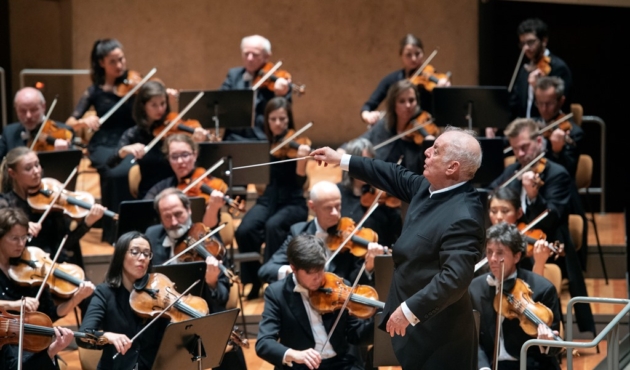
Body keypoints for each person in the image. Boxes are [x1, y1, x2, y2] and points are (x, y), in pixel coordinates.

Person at [311, 126, 485, 369]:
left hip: (440, 339)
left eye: (435, 150)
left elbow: (454, 279)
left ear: (452, 167)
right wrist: (341, 159)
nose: (426, 152)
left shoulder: (465, 216)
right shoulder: (429, 188)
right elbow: (391, 173)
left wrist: (409, 310)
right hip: (415, 331)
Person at [487, 118, 595, 335]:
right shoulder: (514, 172)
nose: (520, 154)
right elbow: (491, 192)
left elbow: (553, 216)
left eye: (525, 147)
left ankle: (548, 328)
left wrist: (535, 196)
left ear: (538, 141)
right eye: (515, 149)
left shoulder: (557, 174)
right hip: (517, 243)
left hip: (550, 242)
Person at [144, 187, 247, 370]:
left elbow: (222, 296)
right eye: (167, 217)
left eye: (179, 214)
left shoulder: (209, 241)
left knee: (231, 351)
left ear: (189, 210)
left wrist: (212, 281)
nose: (174, 222)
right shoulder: (152, 237)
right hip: (165, 318)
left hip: (203, 314)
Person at [256, 234, 374, 370]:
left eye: (320, 269)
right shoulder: (277, 294)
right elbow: (264, 343)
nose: (318, 278)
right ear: (293, 268)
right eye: (310, 273)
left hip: (341, 364)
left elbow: (356, 335)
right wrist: (294, 354)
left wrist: (380, 321)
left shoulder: (338, 287)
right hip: (301, 366)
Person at [234, 97, 309, 299]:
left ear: (289, 120)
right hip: (268, 199)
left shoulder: (298, 144)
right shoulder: (263, 145)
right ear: (266, 120)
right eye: (273, 119)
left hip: (292, 201)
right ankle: (254, 280)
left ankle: (272, 279)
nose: (278, 123)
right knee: (244, 230)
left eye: (282, 119)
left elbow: (300, 182)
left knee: (273, 226)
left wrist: (302, 159)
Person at [65, 39, 137, 243]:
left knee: (128, 172)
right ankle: (113, 230)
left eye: (121, 59)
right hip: (103, 142)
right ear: (101, 63)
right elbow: (70, 122)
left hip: (129, 140)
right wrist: (84, 121)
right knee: (114, 173)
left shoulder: (133, 86)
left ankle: (132, 227)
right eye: (113, 61)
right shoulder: (95, 91)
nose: (120, 65)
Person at [258, 180, 387, 287]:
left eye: (338, 206)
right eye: (328, 208)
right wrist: (295, 273)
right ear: (312, 207)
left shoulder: (352, 236)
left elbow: (354, 283)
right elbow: (266, 270)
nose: (335, 213)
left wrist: (367, 268)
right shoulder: (298, 233)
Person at [470, 222, 562, 370]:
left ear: (517, 256)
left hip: (530, 364)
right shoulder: (474, 288)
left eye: (500, 253)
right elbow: (472, 339)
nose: (492, 259)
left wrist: (546, 342)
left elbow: (555, 348)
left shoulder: (542, 289)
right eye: (489, 252)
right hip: (489, 365)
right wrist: (483, 367)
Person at [0, 207, 81, 370]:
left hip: (32, 342)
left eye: (24, 237)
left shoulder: (30, 268)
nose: (21, 244)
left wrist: (76, 299)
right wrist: (13, 305)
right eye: (14, 238)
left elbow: (49, 313)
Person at [0, 147, 105, 268]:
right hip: (26, 270)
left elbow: (67, 243)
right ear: (12, 173)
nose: (36, 171)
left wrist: (86, 224)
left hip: (57, 265)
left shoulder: (52, 201)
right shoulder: (5, 204)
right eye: (28, 168)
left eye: (37, 165)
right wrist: (20, 228)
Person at [79, 231, 169, 370]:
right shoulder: (104, 293)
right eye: (135, 252)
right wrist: (107, 336)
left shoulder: (157, 294)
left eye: (146, 253)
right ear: (121, 255)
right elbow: (83, 336)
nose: (142, 258)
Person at [106, 80, 182, 199]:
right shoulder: (134, 134)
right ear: (143, 106)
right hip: (150, 192)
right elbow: (111, 163)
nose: (160, 109)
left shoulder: (172, 129)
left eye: (163, 103)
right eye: (154, 105)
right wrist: (125, 150)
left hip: (176, 189)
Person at [343, 80, 434, 176]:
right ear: (393, 105)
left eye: (411, 100)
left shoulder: (424, 132)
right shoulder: (384, 125)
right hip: (378, 182)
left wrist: (428, 144)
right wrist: (343, 150)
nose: (408, 105)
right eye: (402, 101)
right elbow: (363, 139)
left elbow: (421, 171)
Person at [360, 33, 450, 127]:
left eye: (417, 53)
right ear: (401, 56)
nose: (414, 58)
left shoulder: (432, 78)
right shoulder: (392, 80)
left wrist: (442, 92)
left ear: (423, 54)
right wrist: (367, 115)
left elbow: (445, 110)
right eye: (408, 55)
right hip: (397, 131)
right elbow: (368, 106)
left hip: (426, 129)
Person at [337, 138, 402, 248]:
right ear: (349, 164)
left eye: (368, 163)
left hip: (379, 254)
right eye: (360, 163)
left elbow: (397, 230)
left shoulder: (383, 194)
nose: (365, 169)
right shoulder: (337, 192)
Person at [220, 35, 291, 134]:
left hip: (264, 136)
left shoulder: (277, 79)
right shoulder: (233, 76)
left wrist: (281, 95)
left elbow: (285, 110)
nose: (249, 58)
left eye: (255, 54)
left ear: (267, 56)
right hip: (234, 136)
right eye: (246, 54)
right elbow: (220, 102)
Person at [509, 18, 572, 119]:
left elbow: (558, 107)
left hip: (547, 128)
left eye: (530, 42)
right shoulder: (525, 69)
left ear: (544, 41)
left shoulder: (558, 67)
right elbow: (514, 104)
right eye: (522, 44)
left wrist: (536, 87)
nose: (525, 48)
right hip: (526, 129)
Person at [486, 187, 553, 277]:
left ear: (519, 213)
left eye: (505, 211)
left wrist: (540, 261)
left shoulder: (522, 246)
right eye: (493, 211)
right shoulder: (484, 239)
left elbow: (535, 285)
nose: (498, 217)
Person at [0, 87, 74, 158]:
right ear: (16, 109)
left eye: (33, 110)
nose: (28, 116)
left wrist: (63, 154)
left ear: (43, 107)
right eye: (23, 111)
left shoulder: (64, 131)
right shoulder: (9, 132)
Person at [533, 76, 583, 178]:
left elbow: (568, 172)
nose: (543, 108)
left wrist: (557, 152)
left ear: (561, 101)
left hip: (558, 187)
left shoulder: (573, 133)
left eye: (549, 103)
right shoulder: (531, 126)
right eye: (539, 103)